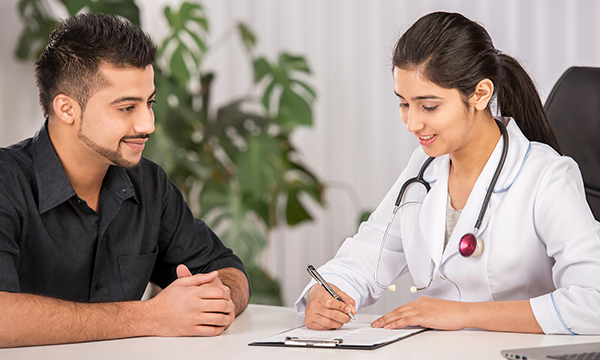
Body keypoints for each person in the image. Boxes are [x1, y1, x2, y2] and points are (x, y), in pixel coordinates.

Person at [295, 12, 600, 335]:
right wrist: (328, 291)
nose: (412, 123)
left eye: (428, 107)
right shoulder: (423, 170)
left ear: (480, 94)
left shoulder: (546, 176)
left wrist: (464, 314)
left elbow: (593, 302)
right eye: (403, 104)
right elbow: (370, 251)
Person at [0, 13, 250, 347]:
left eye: (149, 103)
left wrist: (219, 301)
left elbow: (225, 268)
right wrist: (152, 316)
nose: (148, 124)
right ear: (66, 108)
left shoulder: (149, 183)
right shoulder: (6, 182)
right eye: (126, 108)